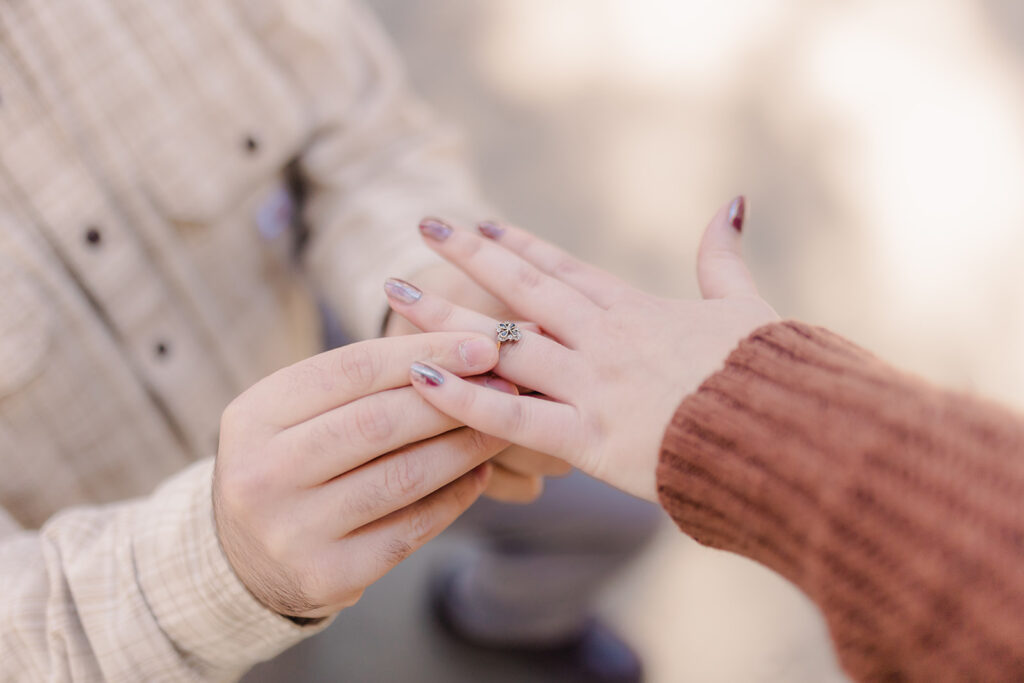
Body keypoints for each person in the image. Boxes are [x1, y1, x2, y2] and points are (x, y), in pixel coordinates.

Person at [0, 1, 656, 680]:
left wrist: (433, 291)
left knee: (622, 500)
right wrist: (221, 567)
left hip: (356, 350)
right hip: (126, 616)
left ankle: (503, 621)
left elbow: (370, 142)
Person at [385, 198, 1024, 682]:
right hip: (325, 372)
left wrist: (754, 415)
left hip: (372, 317)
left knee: (613, 513)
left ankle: (498, 620)